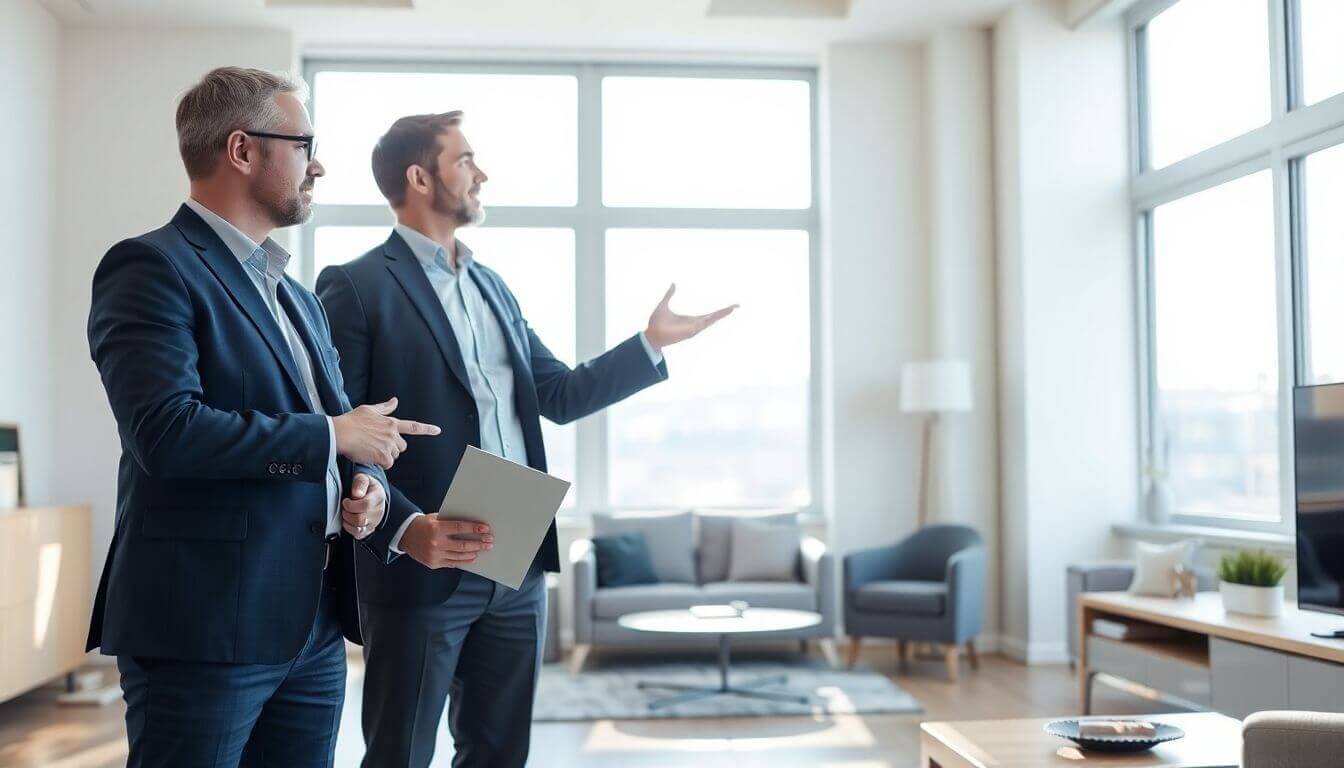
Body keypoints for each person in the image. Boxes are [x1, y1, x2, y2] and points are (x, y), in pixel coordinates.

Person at [316, 110, 737, 767]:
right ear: (420, 177)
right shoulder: (358, 284)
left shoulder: (492, 286)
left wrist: (649, 346)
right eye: (465, 160)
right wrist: (403, 526)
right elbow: (342, 426)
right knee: (400, 752)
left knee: (500, 751)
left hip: (513, 556)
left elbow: (560, 395)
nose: (480, 174)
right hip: (421, 558)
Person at [85, 66, 438, 768]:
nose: (320, 164)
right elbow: (167, 433)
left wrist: (362, 484)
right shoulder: (150, 268)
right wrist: (336, 436)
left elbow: (340, 435)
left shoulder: (298, 298)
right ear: (243, 150)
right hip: (203, 630)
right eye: (305, 144)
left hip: (311, 627)